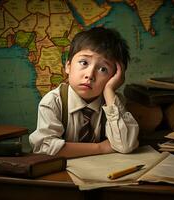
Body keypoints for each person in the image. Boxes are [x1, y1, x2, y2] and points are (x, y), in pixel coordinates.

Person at [29, 27, 139, 158]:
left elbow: (126, 145)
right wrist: (100, 148)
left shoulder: (113, 103)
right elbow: (43, 147)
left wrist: (109, 91)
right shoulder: (54, 101)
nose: (90, 75)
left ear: (114, 77)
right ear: (68, 66)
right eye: (84, 62)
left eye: (103, 69)